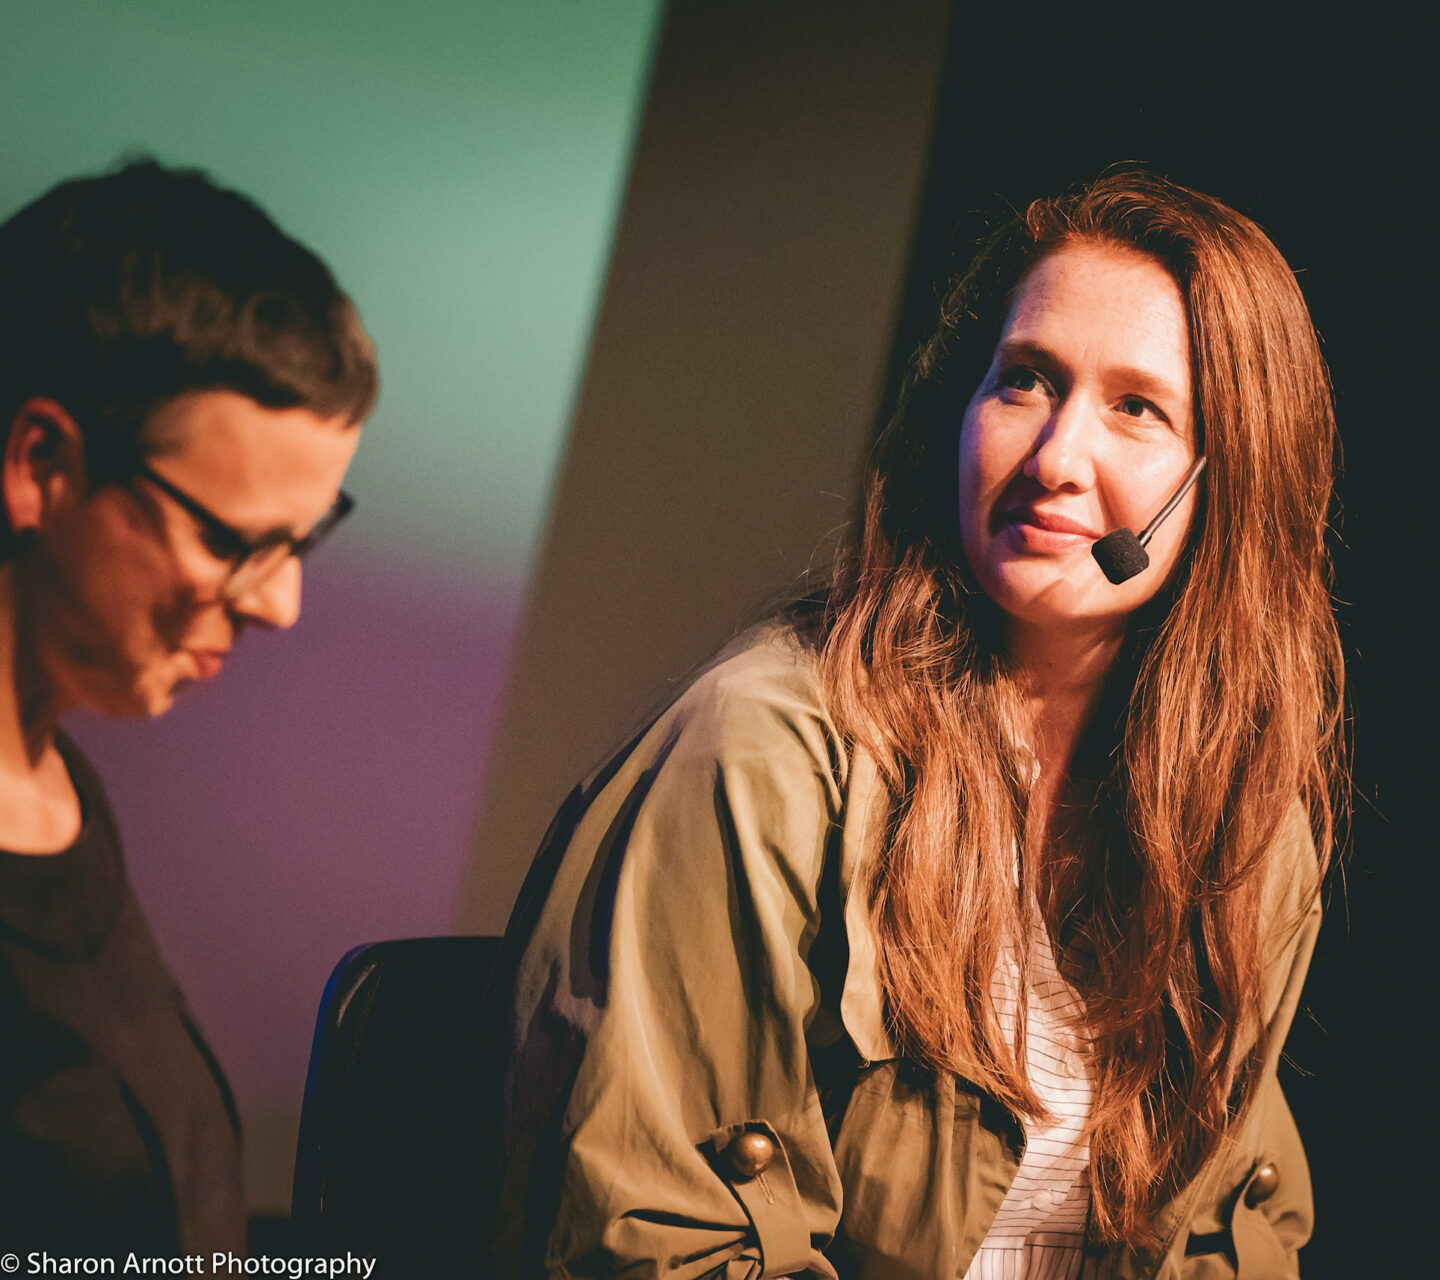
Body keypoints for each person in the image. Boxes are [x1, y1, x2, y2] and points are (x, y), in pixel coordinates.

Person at [493, 169, 1343, 1279]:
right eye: (1027, 381)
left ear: (1226, 483)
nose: (1055, 459)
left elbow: (1244, 1230)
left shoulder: (1245, 824)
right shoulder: (767, 751)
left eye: (1137, 407)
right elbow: (653, 1243)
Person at [0, 160, 376, 1253]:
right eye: (232, 539)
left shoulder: (61, 791)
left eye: (303, 539)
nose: (281, 601)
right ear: (40, 466)